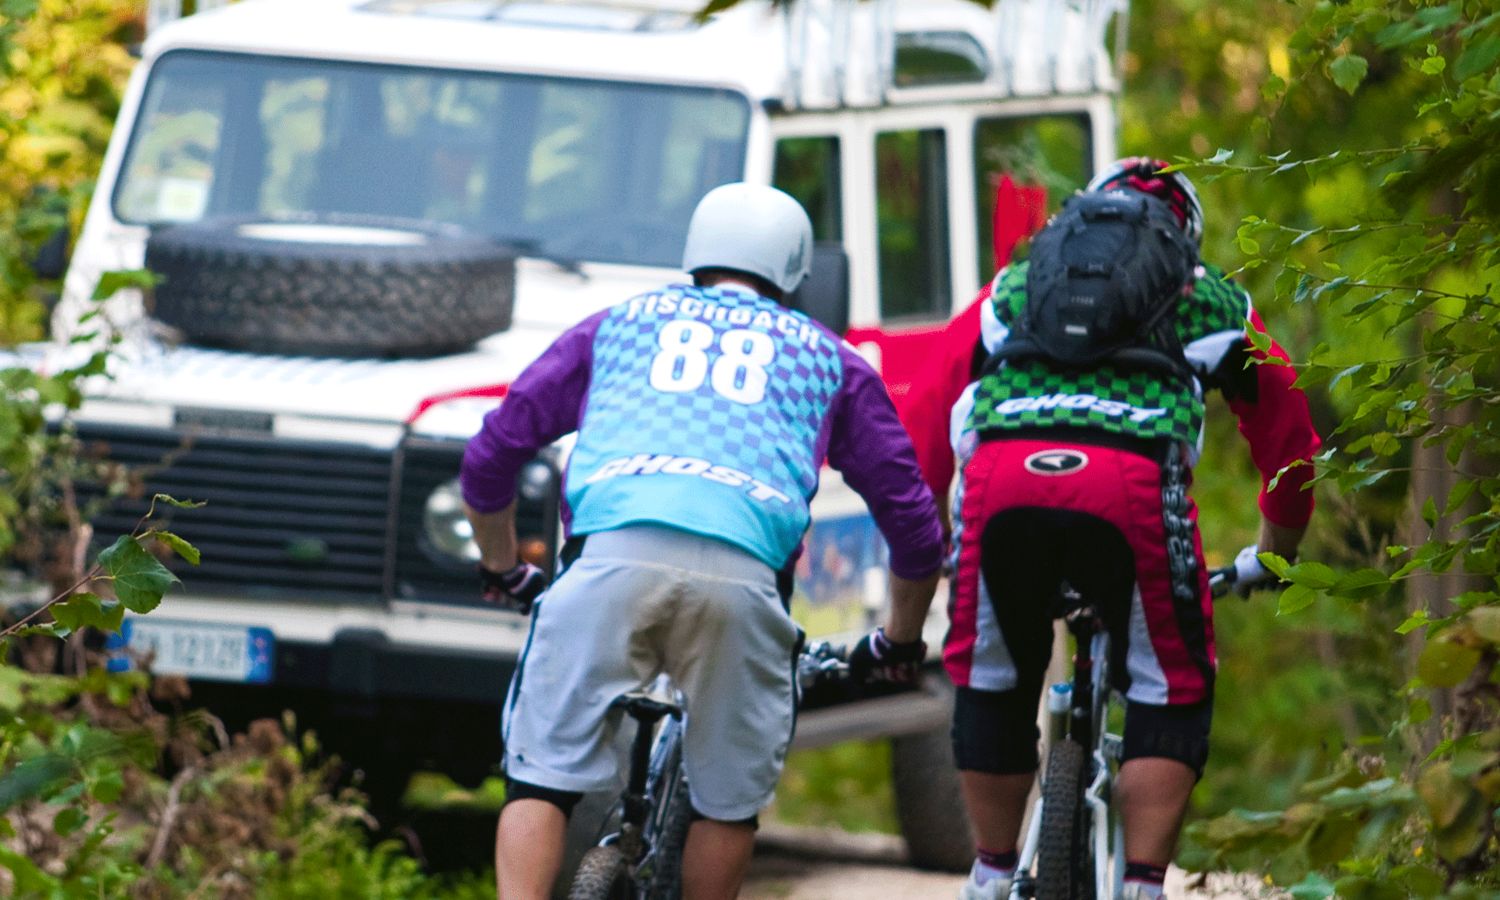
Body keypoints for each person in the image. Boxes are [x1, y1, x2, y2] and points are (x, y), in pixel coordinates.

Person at [459, 182, 945, 900]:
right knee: (727, 803)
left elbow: (491, 457)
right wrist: (901, 643)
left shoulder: (618, 325)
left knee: (541, 774)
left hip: (607, 559)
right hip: (743, 579)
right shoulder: (830, 359)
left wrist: (502, 567)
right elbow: (914, 527)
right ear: (794, 270)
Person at [913, 158, 1322, 900]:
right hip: (1127, 485)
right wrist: (1276, 554)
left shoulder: (1015, 284)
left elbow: (930, 406)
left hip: (1000, 481)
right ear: (1181, 233)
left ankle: (991, 874)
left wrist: (931, 539)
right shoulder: (1209, 296)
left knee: (993, 676)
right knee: (1174, 687)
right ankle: (1139, 885)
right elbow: (1289, 437)